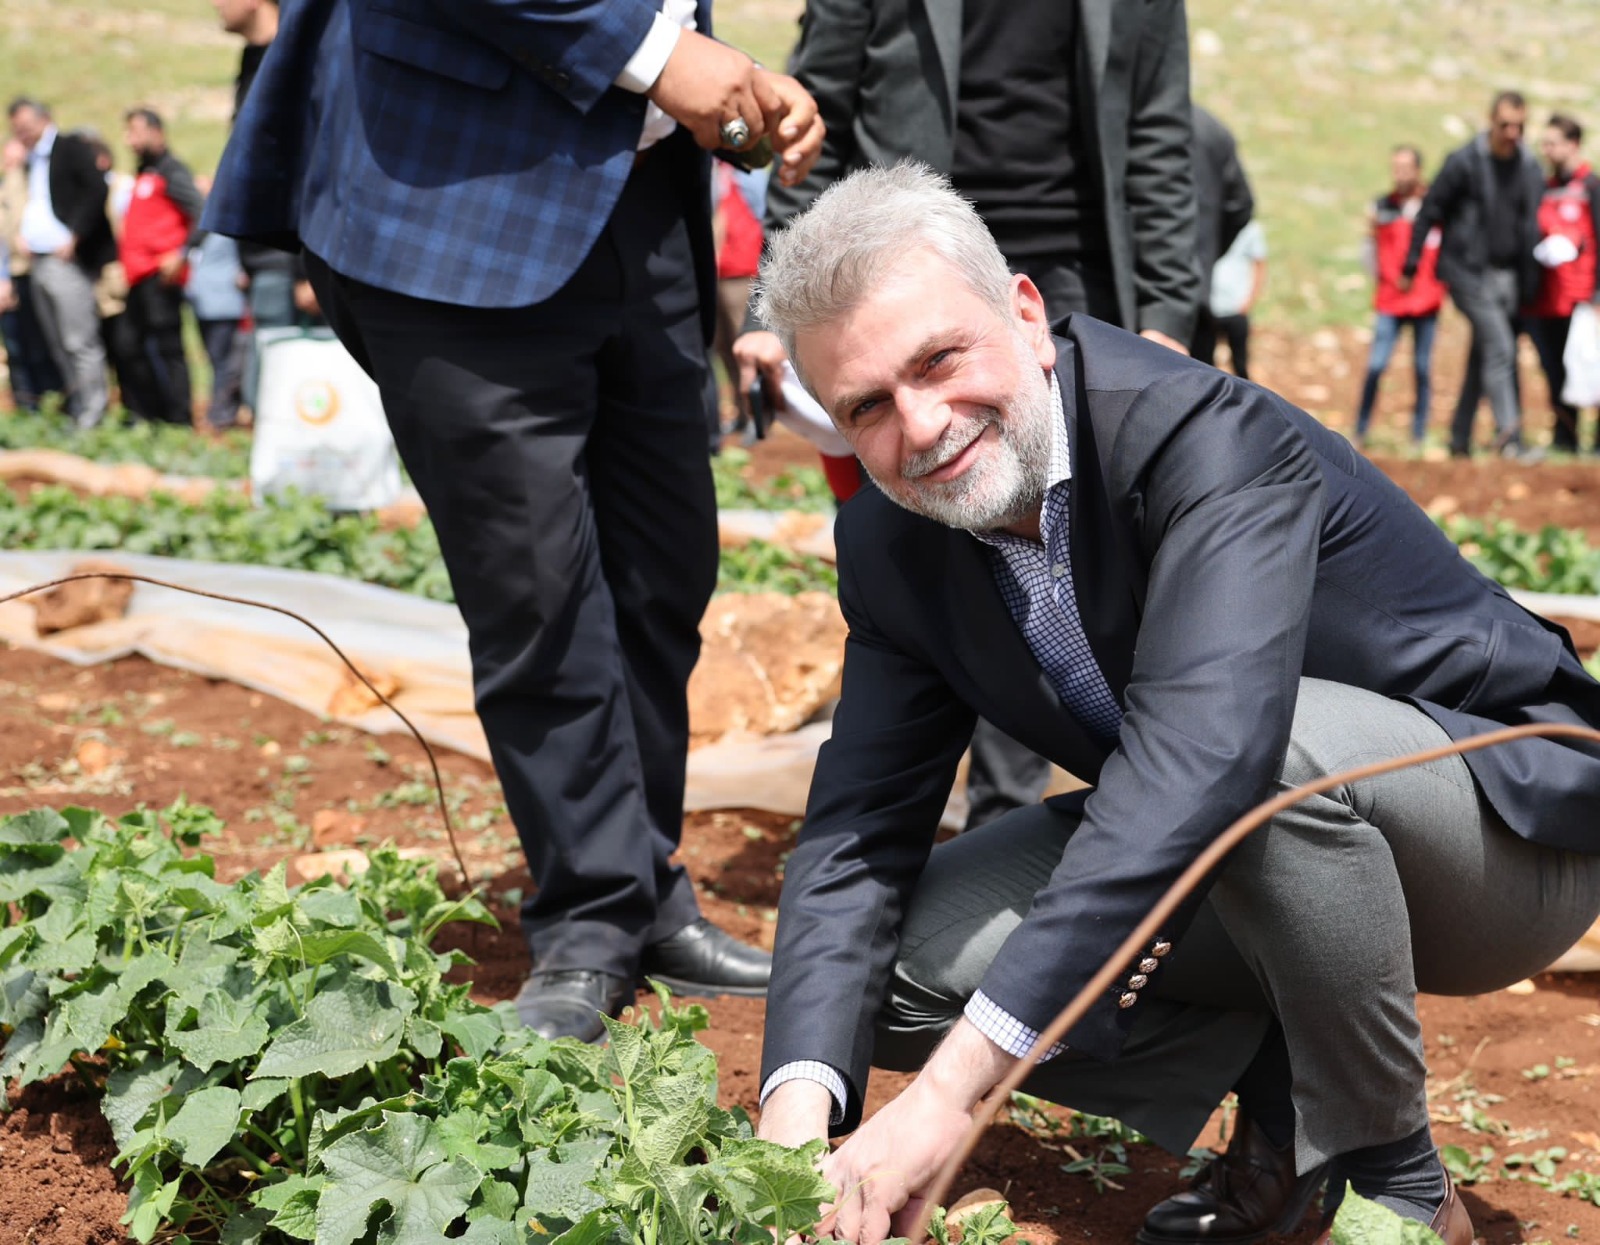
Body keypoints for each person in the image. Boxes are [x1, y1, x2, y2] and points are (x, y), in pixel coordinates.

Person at [749, 164, 1600, 1245]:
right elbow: (857, 836)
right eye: (866, 405)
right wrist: (787, 1135)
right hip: (1249, 850)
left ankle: (1393, 1181)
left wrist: (948, 1100)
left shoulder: (1200, 436)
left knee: (1264, 759)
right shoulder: (892, 544)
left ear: (1022, 313)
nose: (919, 428)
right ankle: (1294, 1109)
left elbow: (1205, 760)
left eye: (937, 360)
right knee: (901, 971)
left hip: (1500, 826)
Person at [205, 0, 824, 1042]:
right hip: (456, 202)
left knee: (663, 572)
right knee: (537, 592)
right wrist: (655, 51)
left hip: (641, 191)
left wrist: (716, 72)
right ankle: (588, 913)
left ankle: (643, 885)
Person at [734, 0, 1199, 832]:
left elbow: (1160, 128)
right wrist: (777, 311)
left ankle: (1162, 810)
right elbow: (822, 110)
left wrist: (1165, 309)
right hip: (909, 279)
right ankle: (1001, 821)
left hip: (1081, 278)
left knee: (1102, 550)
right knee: (964, 552)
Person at [1404, 91, 1544, 458]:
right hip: (1467, 272)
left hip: (1508, 276)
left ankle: (1459, 438)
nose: (1512, 132)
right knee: (1500, 346)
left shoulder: (1529, 166)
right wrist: (1412, 261)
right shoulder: (1465, 161)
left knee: (1483, 354)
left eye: (1519, 126)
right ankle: (1510, 439)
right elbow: (1430, 211)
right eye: (1505, 125)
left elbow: (1530, 222)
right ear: (1490, 120)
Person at [7, 98, 114, 428]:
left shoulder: (69, 147)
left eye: (26, 127)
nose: (22, 134)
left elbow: (97, 189)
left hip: (65, 260)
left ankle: (95, 413)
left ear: (43, 120)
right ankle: (80, 408)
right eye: (16, 130)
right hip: (36, 261)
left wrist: (75, 235)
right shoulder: (29, 161)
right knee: (56, 342)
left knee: (78, 340)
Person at [119, 108, 205, 426]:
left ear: (157, 132)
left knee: (169, 348)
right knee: (128, 346)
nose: (131, 140)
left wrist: (181, 253)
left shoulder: (172, 169)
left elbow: (201, 211)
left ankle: (180, 419)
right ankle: (149, 413)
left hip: (161, 276)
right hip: (137, 276)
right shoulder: (145, 172)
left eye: (136, 132)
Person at [1355, 146, 1445, 448]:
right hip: (1390, 300)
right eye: (1395, 167)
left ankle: (1418, 435)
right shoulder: (1382, 207)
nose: (1399, 174)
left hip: (1425, 301)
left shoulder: (1433, 208)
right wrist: (1379, 278)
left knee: (1422, 369)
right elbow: (1369, 247)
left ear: (1418, 170)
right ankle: (1360, 430)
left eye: (1405, 168)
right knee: (1376, 366)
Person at [1527, 113, 1600, 455]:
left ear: (1572, 144)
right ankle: (1565, 437)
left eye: (1553, 142)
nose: (1546, 149)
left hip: (1583, 297)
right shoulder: (1545, 188)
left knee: (1590, 368)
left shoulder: (1591, 187)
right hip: (1549, 298)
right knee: (1556, 370)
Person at [0, 136, 67, 409]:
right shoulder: (6, 194)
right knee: (18, 349)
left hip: (34, 272)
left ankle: (55, 405)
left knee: (44, 344)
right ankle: (29, 407)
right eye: (9, 160)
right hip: (11, 276)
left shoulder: (36, 190)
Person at [1189, 104, 1256, 364]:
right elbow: (1240, 205)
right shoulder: (1211, 127)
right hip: (1193, 292)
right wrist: (1207, 255)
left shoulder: (1117, 115)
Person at [1199, 219, 1265, 379]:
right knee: (1204, 364)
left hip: (1236, 308)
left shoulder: (1250, 229)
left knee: (1240, 364)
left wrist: (1248, 301)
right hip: (1207, 308)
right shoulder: (1205, 223)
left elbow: (1260, 265)